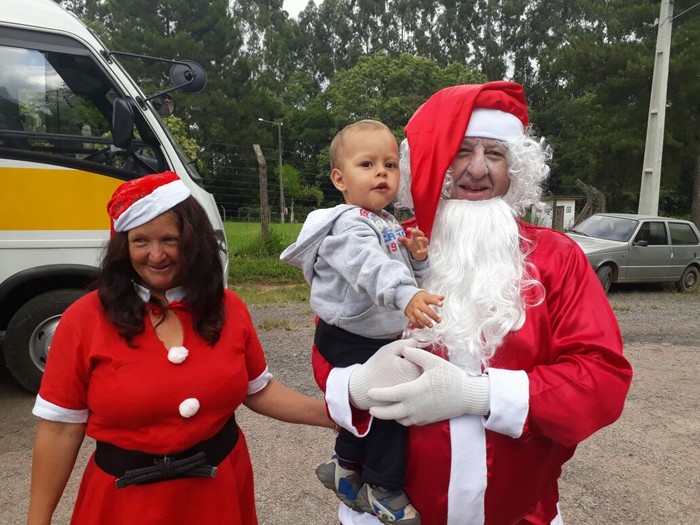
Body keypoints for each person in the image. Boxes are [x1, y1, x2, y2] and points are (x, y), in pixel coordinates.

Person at [312, 82, 634, 525]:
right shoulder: (387, 244)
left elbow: (601, 379)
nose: (478, 170)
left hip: (522, 513)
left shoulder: (558, 257)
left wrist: (478, 395)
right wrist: (358, 386)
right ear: (433, 163)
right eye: (462, 152)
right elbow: (332, 338)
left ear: (516, 169)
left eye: (495, 154)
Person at [26, 171, 334, 525]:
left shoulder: (228, 307)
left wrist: (337, 416)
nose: (156, 255)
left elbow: (258, 389)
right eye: (140, 241)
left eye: (169, 240)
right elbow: (60, 428)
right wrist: (38, 520)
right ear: (123, 246)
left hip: (217, 497)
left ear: (192, 242)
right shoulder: (84, 319)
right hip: (124, 506)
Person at [280, 120, 443, 525]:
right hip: (348, 334)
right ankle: (382, 488)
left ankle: (345, 464)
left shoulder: (384, 221)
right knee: (392, 404)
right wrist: (406, 295)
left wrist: (418, 261)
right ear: (340, 179)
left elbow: (400, 274)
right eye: (367, 164)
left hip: (371, 332)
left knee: (370, 401)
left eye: (390, 164)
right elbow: (371, 270)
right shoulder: (349, 226)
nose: (381, 173)